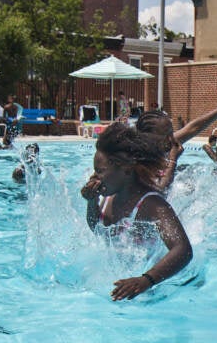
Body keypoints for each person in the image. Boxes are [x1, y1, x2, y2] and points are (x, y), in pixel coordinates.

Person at [80, 123, 193, 301]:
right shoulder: (110, 194)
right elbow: (97, 229)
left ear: (125, 169)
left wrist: (146, 280)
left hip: (151, 288)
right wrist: (91, 201)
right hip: (120, 284)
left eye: (100, 171)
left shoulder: (152, 204)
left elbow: (183, 249)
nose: (95, 177)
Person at [136, 76, 217, 190]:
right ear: (149, 138)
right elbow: (158, 191)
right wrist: (173, 160)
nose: (172, 138)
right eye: (166, 135)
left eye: (171, 133)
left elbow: (193, 128)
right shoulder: (138, 160)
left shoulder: (165, 142)